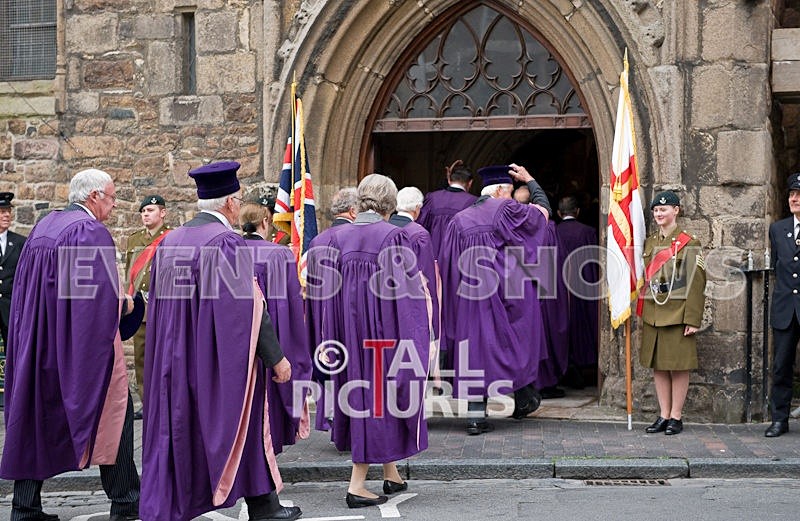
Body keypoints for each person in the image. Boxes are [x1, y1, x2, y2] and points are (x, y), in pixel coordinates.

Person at [142, 161, 301, 521]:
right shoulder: (225, 242)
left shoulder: (171, 241)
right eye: (238, 199)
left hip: (175, 356)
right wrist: (276, 357)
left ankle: (256, 504)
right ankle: (264, 506)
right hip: (213, 356)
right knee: (245, 421)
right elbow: (249, 308)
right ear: (230, 203)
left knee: (182, 429)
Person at [0, 169, 141, 521]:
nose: (114, 204)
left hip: (38, 343)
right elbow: (92, 301)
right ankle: (126, 503)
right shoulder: (88, 232)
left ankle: (24, 508)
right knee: (116, 414)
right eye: (111, 197)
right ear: (93, 196)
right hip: (73, 345)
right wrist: (127, 305)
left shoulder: (44, 226)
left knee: (34, 419)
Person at [306, 174, 431, 508]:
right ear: (390, 202)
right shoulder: (393, 237)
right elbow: (406, 300)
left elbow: (329, 298)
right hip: (383, 340)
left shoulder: (338, 238)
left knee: (366, 401)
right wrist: (417, 341)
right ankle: (357, 485)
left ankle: (392, 474)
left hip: (348, 339)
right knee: (377, 404)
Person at [440, 164, 551, 435]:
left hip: (470, 299)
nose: (512, 197)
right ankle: (524, 396)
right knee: (517, 340)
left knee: (475, 350)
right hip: (506, 294)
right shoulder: (506, 210)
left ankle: (475, 416)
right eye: (510, 192)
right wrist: (530, 179)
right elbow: (542, 214)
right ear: (500, 191)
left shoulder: (459, 220)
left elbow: (448, 267)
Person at [239, 196, 312, 453]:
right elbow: (289, 308)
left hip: (238, 342)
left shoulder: (228, 252)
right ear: (265, 221)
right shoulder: (278, 255)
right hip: (270, 345)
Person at [639, 190, 706, 436]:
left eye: (663, 209)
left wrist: (692, 319)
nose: (659, 214)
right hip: (654, 313)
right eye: (656, 210)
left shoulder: (689, 242)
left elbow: (696, 283)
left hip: (677, 314)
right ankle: (663, 414)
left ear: (675, 211)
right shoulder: (650, 242)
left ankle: (676, 416)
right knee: (658, 366)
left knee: (678, 367)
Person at [124, 194, 171, 420]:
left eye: (150, 210)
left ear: (163, 213)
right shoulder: (134, 240)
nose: (145, 215)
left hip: (162, 307)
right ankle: (146, 402)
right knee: (141, 358)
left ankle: (165, 401)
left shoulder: (172, 238)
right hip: (140, 309)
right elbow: (129, 274)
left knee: (165, 356)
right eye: (143, 211)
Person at [389, 186, 441, 389]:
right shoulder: (419, 234)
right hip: (411, 305)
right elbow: (426, 278)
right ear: (417, 209)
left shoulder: (383, 229)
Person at [765, 173, 800, 437]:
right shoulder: (778, 229)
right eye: (791, 194)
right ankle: (779, 419)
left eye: (799, 195)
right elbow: (778, 265)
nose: (794, 199)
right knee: (781, 366)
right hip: (785, 307)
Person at [556, 195, 599, 389]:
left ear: (559, 213)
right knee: (584, 326)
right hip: (583, 286)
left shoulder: (554, 231)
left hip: (559, 288)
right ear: (578, 211)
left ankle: (566, 369)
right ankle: (583, 367)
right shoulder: (588, 232)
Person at [417, 160, 477, 261]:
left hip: (433, 260)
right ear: (470, 183)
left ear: (449, 180)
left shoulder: (432, 198)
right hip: (459, 261)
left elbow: (420, 227)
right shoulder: (473, 202)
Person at [0, 192, 26, 348]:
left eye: (8, 211)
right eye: (2, 212)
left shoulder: (20, 242)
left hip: (10, 308)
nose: (7, 215)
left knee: (13, 349)